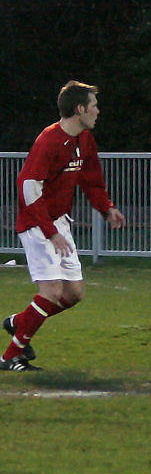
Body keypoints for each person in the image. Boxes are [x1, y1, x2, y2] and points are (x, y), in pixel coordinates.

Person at [1, 80, 126, 371]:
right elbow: (28, 187)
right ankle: (10, 356)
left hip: (58, 222)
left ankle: (19, 323)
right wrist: (49, 231)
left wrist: (106, 207)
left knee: (73, 294)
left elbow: (91, 178)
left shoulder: (84, 139)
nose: (98, 111)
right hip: (37, 222)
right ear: (80, 109)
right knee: (52, 292)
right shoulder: (49, 140)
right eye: (94, 105)